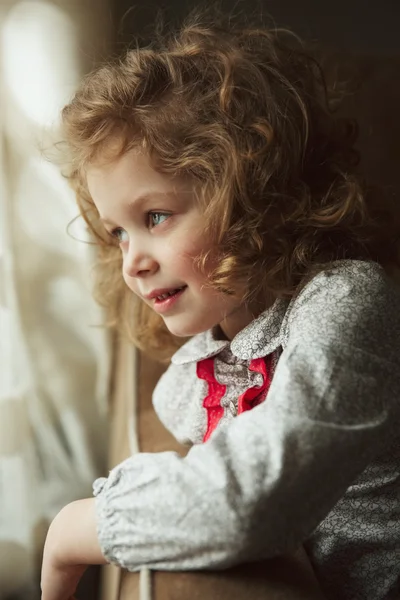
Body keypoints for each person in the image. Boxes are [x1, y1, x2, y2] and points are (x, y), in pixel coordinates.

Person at [41, 8, 400, 600]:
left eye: (155, 216)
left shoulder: (350, 303)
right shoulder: (189, 381)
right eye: (118, 232)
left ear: (250, 192)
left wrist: (71, 531)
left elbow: (250, 505)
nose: (132, 260)